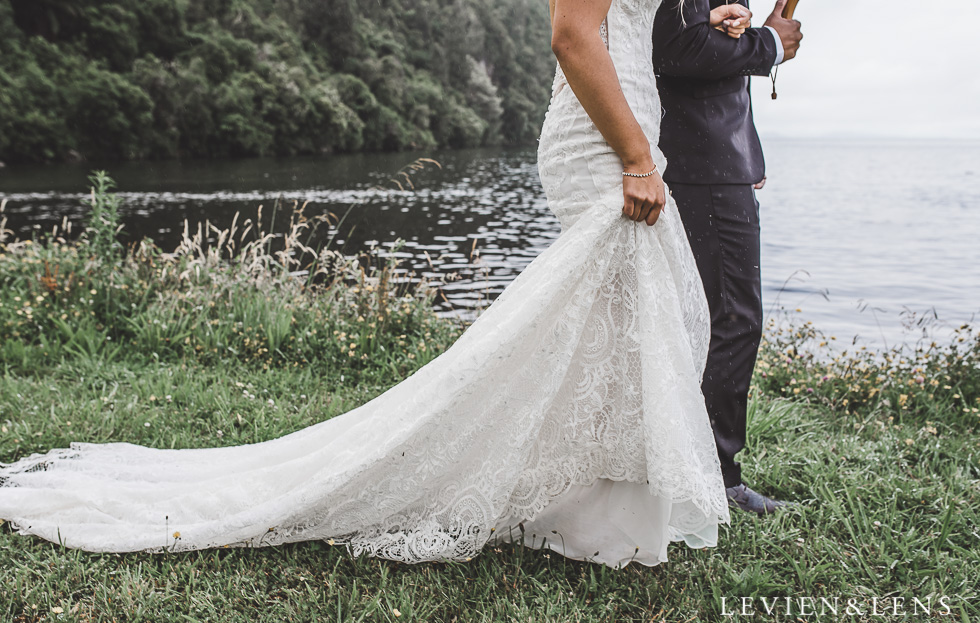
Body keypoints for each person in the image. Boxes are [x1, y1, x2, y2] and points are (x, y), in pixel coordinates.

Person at [0, 0, 747, 568]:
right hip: (605, 138)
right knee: (611, 315)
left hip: (630, 124)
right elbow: (573, 35)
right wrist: (636, 160)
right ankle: (562, 505)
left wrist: (711, 20)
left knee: (612, 331)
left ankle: (590, 513)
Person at [653, 0, 803, 514]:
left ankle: (687, 464)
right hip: (703, 169)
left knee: (706, 318)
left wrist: (746, 150)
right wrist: (770, 43)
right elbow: (678, 49)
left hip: (715, 161)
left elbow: (721, 75)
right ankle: (715, 476)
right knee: (732, 318)